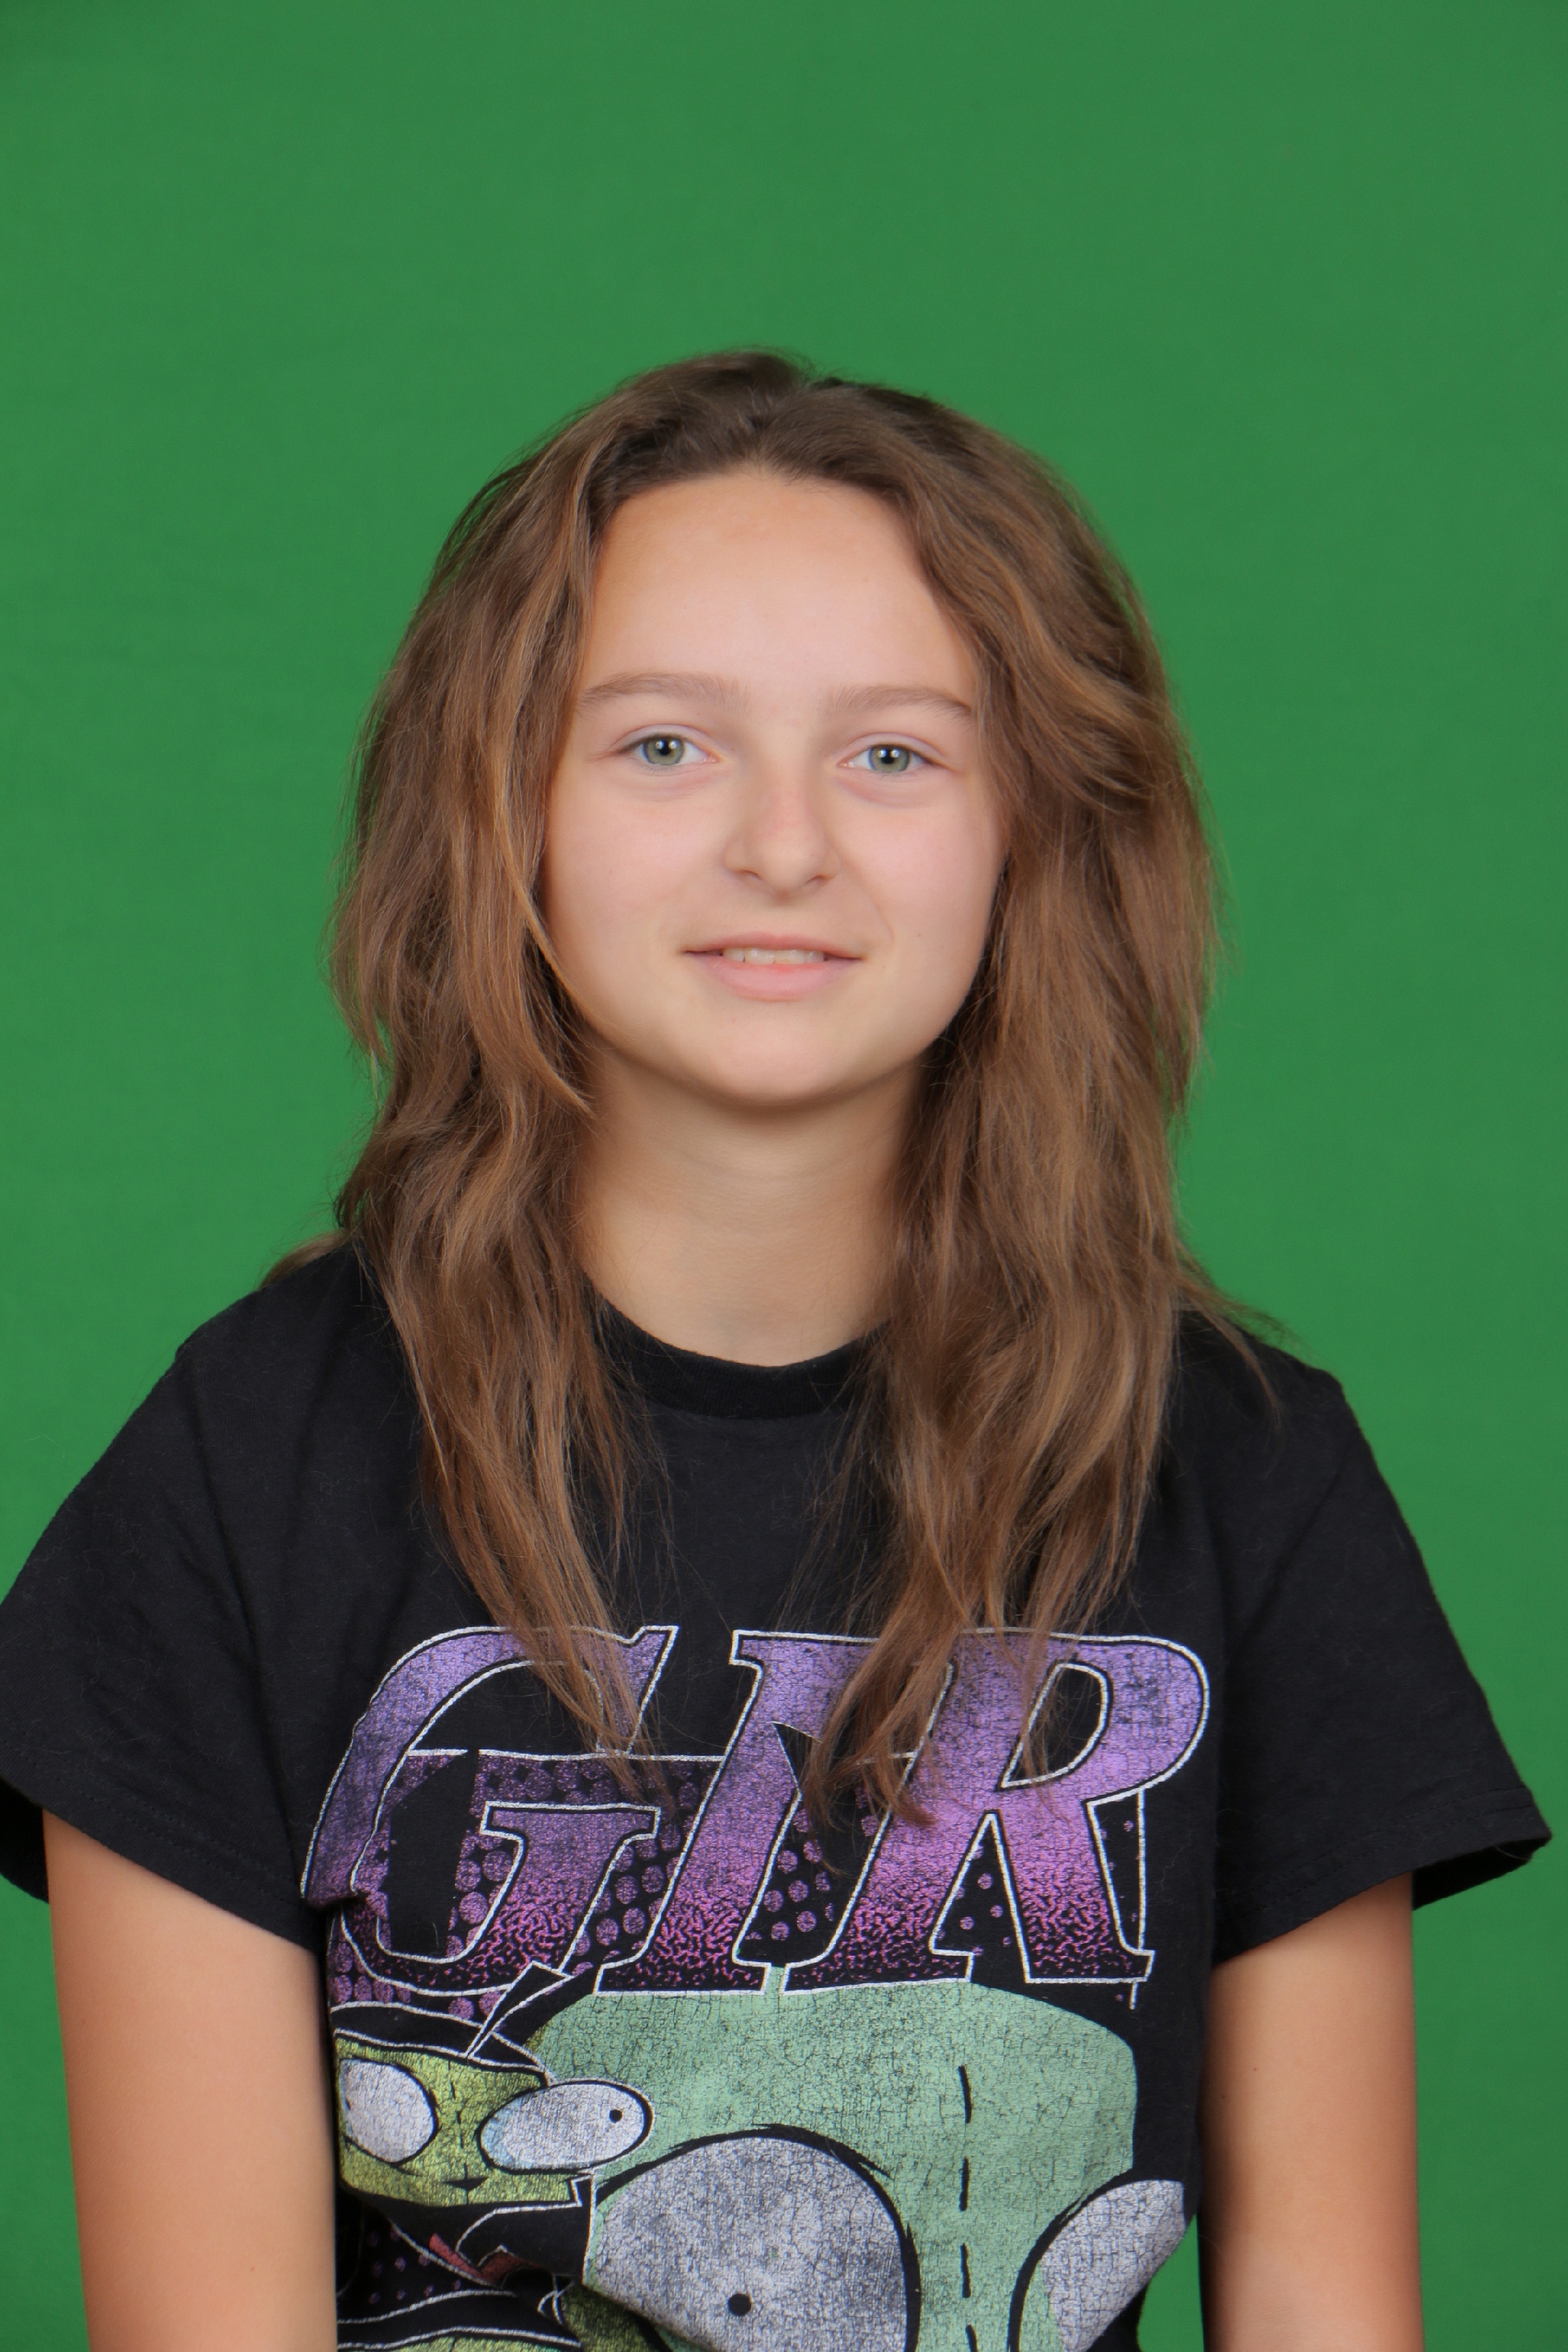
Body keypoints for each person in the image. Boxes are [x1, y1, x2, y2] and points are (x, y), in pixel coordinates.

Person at [0, 352, 1547, 2352]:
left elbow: (1324, 2299)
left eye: (894, 753)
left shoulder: (1242, 1469)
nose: (784, 844)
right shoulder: (245, 1465)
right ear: (504, 810)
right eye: (665, 744)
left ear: (1034, 831)